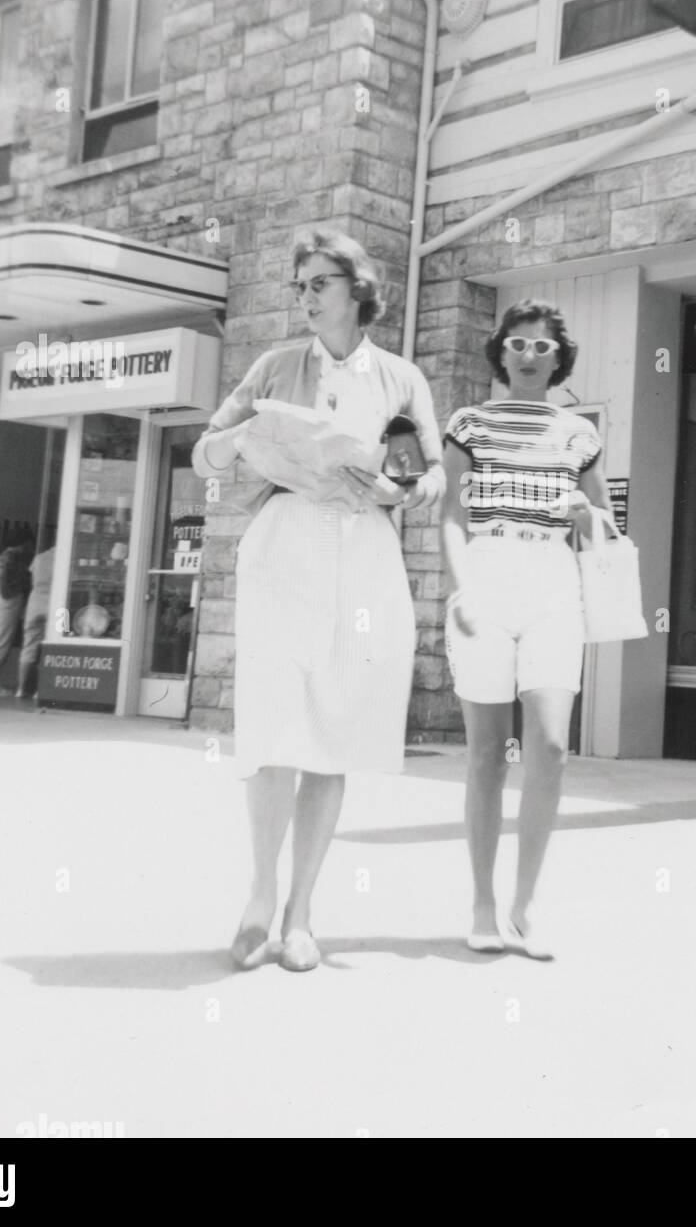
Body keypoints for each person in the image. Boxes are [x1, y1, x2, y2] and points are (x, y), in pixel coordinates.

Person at [193, 227, 444, 973]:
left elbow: (426, 477)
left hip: (363, 548)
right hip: (285, 547)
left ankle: (302, 916)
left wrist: (405, 486)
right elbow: (208, 451)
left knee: (333, 729)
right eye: (299, 284)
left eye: (318, 283)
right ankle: (259, 900)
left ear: (357, 289)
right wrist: (240, 437)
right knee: (273, 725)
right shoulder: (273, 367)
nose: (305, 297)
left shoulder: (401, 380)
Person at [440, 299, 612, 960]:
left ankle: (524, 905)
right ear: (501, 352)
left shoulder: (579, 434)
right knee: (486, 754)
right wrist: (461, 588)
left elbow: (607, 526)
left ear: (559, 358)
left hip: (551, 583)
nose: (530, 356)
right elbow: (452, 515)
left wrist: (584, 511)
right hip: (485, 572)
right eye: (519, 344)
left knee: (549, 746)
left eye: (543, 348)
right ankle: (482, 905)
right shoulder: (469, 424)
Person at [0, 542, 33, 696]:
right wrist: (11, 594)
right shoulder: (9, 557)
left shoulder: (7, 557)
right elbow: (2, 580)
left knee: (0, 640)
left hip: (5, 600)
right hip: (7, 601)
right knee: (1, 640)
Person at [17, 543, 56, 698]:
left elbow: (32, 577)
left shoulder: (39, 558)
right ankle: (42, 690)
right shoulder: (66, 557)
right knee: (55, 647)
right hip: (57, 604)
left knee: (28, 647)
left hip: (35, 603)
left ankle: (21, 689)